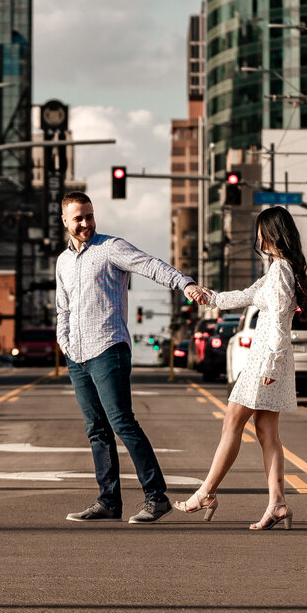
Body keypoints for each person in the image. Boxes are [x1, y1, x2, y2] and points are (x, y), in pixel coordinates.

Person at [56, 191, 210, 525]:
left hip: (108, 348)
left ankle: (157, 498)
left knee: (122, 423)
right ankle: (108, 501)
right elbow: (62, 308)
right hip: (78, 355)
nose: (85, 223)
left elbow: (149, 264)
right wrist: (64, 342)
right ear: (65, 221)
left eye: (89, 215)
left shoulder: (111, 248)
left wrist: (184, 284)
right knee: (96, 430)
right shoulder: (63, 262)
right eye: (78, 218)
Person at [174, 206, 307, 530]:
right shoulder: (280, 268)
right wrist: (212, 297)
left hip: (266, 360)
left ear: (272, 233)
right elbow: (248, 295)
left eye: (261, 231)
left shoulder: (280, 272)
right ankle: (277, 503)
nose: (257, 237)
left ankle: (206, 492)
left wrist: (271, 366)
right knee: (266, 431)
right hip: (268, 359)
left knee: (233, 420)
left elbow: (278, 323)